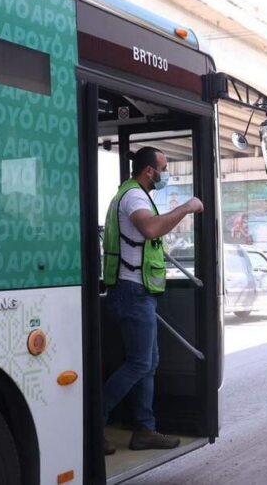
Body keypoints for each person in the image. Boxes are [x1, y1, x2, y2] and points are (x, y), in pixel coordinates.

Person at [101, 147, 204, 455]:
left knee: (148, 363)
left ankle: (145, 428)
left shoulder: (136, 195)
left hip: (138, 292)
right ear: (149, 171)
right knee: (139, 363)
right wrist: (186, 207)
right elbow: (150, 228)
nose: (165, 174)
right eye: (163, 168)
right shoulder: (133, 196)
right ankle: (94, 421)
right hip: (131, 292)